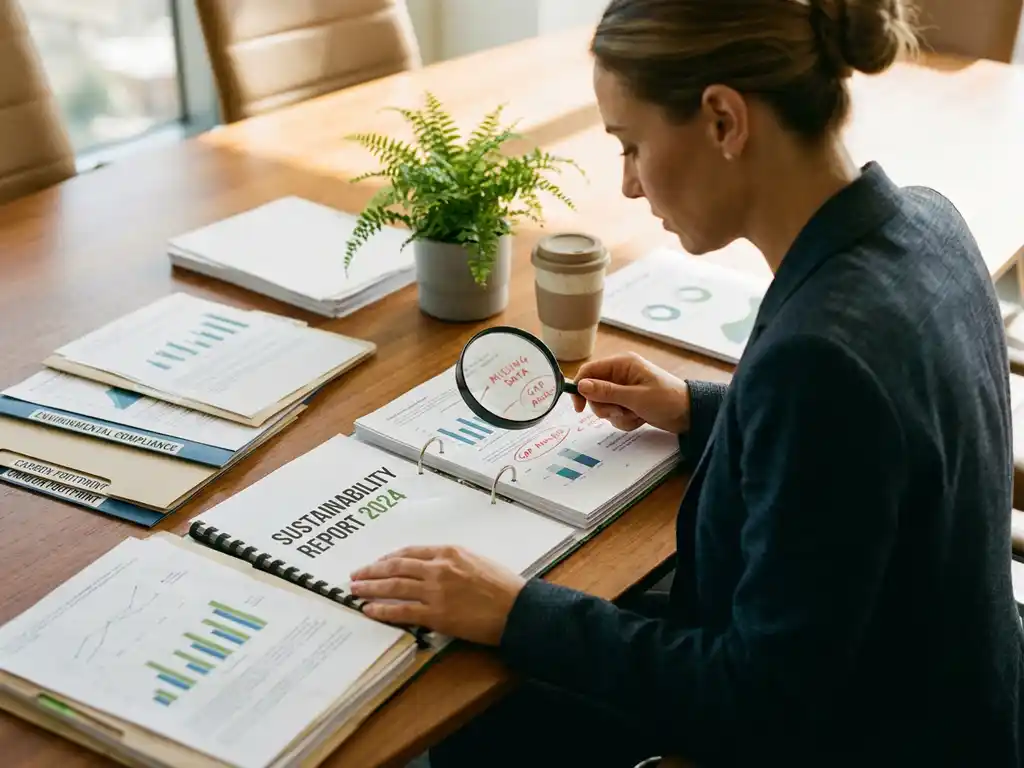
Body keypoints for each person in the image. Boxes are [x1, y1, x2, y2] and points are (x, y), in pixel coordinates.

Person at [349, 0, 1024, 764]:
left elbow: (756, 703)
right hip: (958, 694)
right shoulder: (928, 223)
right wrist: (698, 408)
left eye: (630, 145)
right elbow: (881, 435)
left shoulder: (818, 364)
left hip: (877, 736)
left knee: (482, 719)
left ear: (723, 121)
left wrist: (516, 610)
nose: (631, 185)